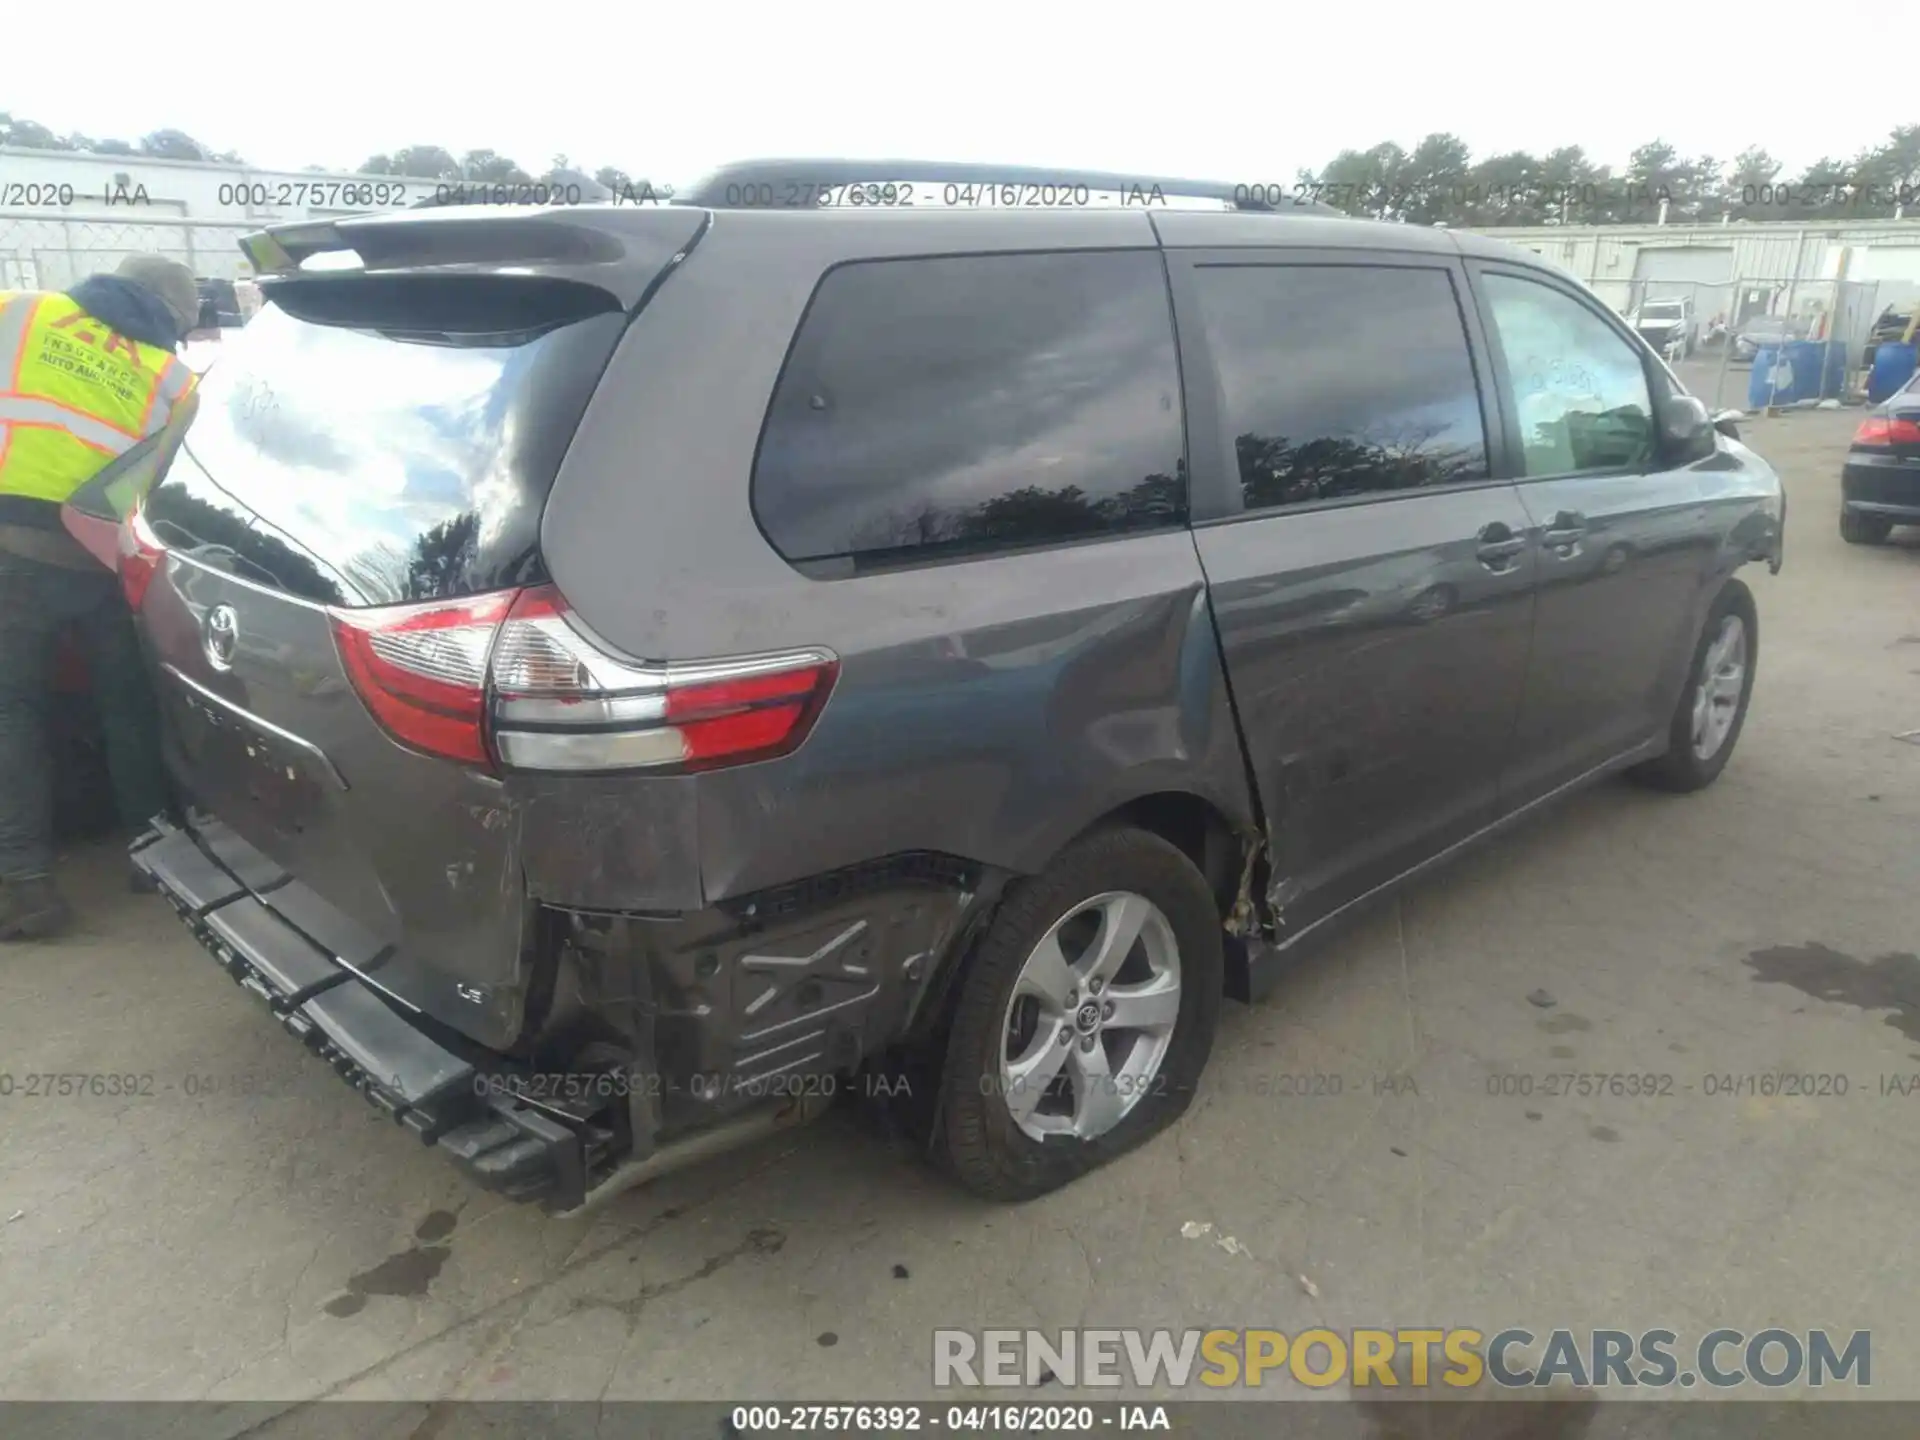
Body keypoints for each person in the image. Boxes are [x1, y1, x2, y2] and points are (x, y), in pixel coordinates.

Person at [0, 255, 200, 940]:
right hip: (103, 557)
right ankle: (155, 857)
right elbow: (164, 485)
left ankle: (24, 885)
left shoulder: (18, 311)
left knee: (10, 712)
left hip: (8, 548)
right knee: (131, 705)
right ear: (176, 319)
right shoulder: (179, 380)